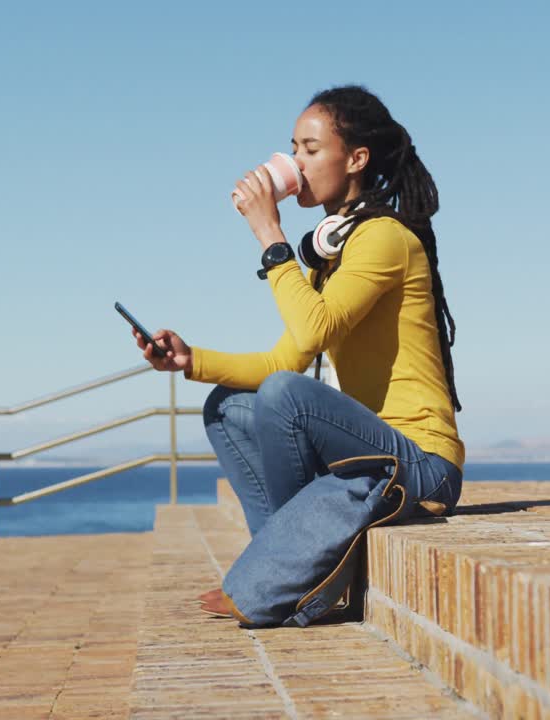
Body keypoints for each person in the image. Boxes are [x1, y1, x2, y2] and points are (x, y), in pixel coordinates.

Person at [131, 85, 465, 628]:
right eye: (293, 149)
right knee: (228, 407)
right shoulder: (329, 256)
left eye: (311, 149)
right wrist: (190, 360)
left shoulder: (384, 238)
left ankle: (277, 576)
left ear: (356, 159)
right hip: (371, 457)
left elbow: (312, 333)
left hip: (423, 465)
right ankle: (279, 567)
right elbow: (284, 360)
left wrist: (269, 233)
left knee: (285, 396)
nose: (296, 163)